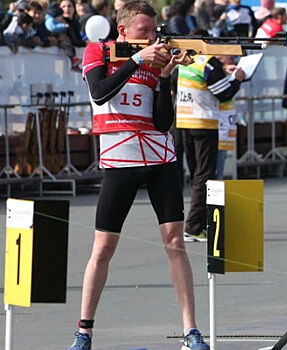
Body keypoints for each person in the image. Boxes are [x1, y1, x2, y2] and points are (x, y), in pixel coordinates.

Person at [69, 1, 209, 349]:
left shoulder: (157, 60)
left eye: (154, 31)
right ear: (124, 31)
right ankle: (83, 332)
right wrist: (135, 60)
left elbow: (163, 122)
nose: (152, 38)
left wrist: (163, 79)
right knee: (103, 248)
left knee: (175, 243)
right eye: (144, 32)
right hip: (120, 158)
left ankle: (191, 330)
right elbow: (100, 94)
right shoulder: (98, 51)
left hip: (161, 157)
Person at [176, 34, 245, 242]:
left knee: (197, 174)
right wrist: (238, 80)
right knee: (204, 176)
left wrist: (223, 72)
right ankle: (194, 227)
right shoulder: (208, 63)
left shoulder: (185, 60)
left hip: (184, 121)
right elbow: (223, 93)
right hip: (203, 123)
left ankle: (196, 223)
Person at [215, 55, 240, 179]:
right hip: (217, 127)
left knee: (219, 168)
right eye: (231, 58)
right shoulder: (214, 74)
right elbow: (226, 94)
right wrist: (238, 80)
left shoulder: (224, 73)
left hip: (225, 126)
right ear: (220, 58)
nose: (234, 62)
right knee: (215, 171)